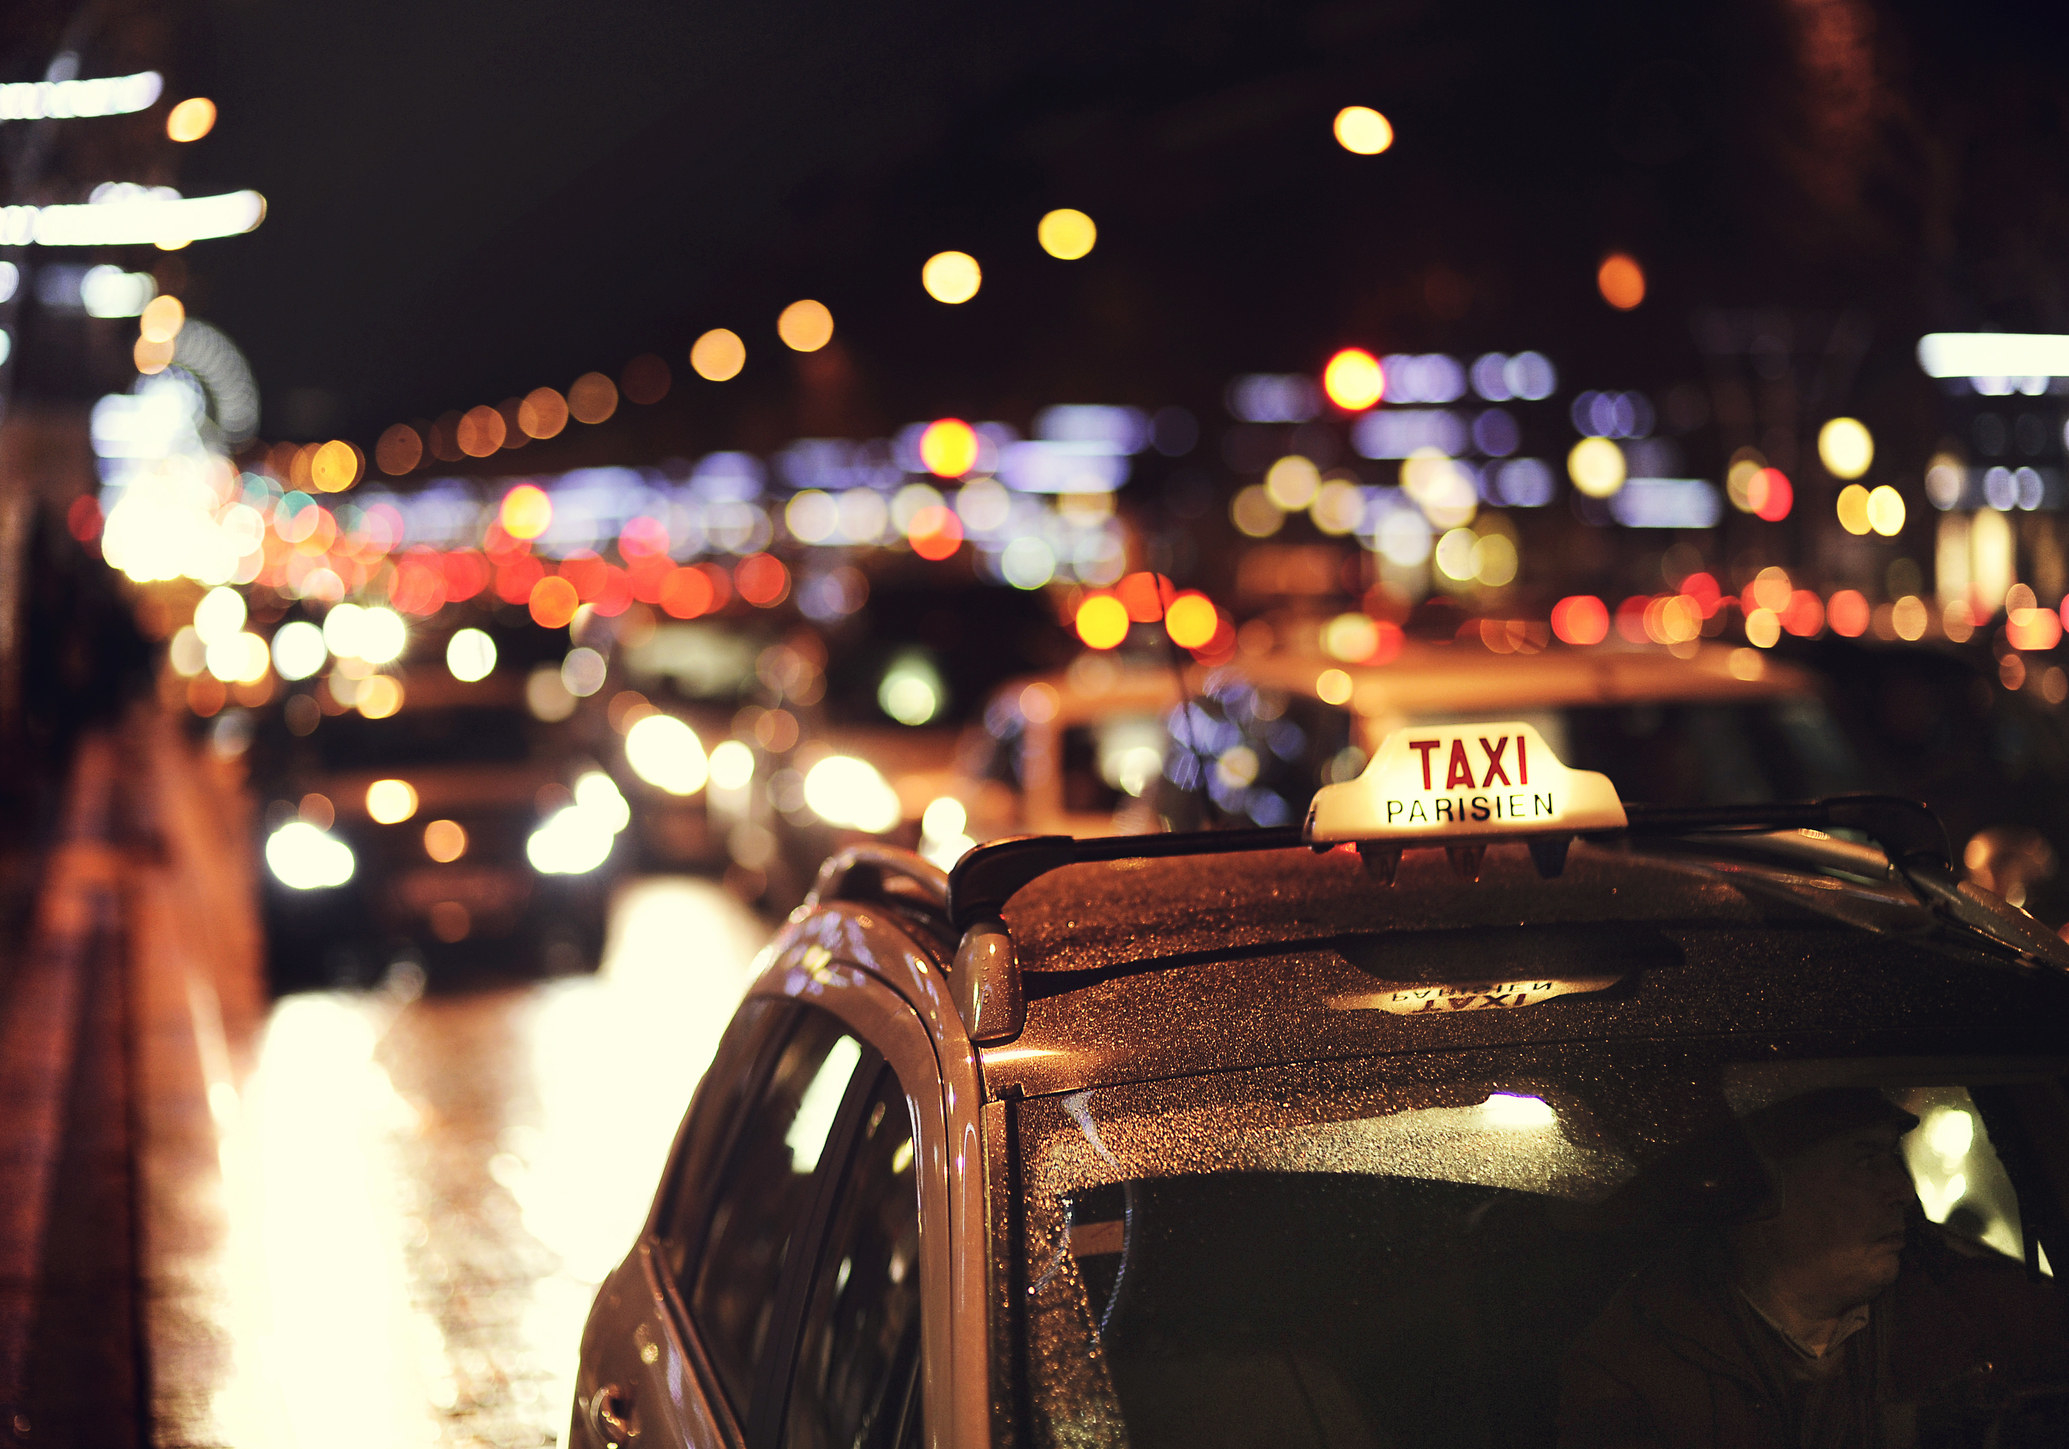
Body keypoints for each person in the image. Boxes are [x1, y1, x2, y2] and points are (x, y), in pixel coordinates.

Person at [1558, 1087, 2069, 1448]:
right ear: (1762, 1189)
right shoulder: (1636, 1365)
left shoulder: (1966, 1302)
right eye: (1866, 1161)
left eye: (1894, 1159)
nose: (1902, 1192)